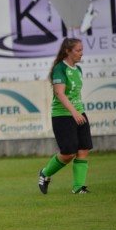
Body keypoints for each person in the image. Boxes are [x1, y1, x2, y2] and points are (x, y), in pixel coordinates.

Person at [38, 37, 93, 194]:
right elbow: (59, 93)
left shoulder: (78, 69)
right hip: (63, 115)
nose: (81, 53)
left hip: (78, 113)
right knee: (68, 153)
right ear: (67, 51)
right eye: (78, 50)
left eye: (82, 50)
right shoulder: (60, 69)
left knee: (83, 150)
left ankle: (78, 188)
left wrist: (79, 111)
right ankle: (45, 173)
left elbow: (76, 94)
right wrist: (74, 112)